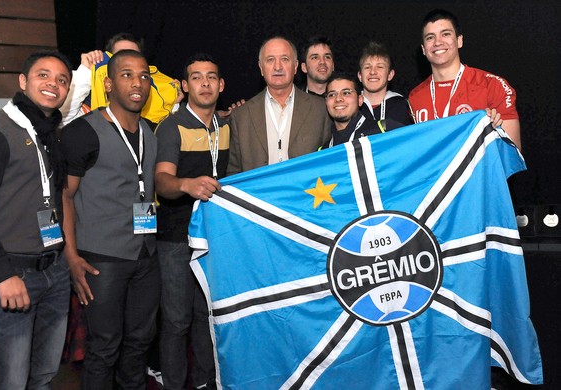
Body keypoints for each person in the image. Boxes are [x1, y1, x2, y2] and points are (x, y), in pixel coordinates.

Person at [0, 50, 71, 389]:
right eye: (43, 75)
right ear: (23, 81)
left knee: (44, 377)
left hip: (55, 272)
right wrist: (2, 274)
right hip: (11, 276)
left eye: (62, 79)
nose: (53, 84)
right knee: (10, 381)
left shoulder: (49, 132)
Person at [60, 49, 160, 389]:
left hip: (146, 255)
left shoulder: (150, 131)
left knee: (139, 344)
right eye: (127, 74)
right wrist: (72, 257)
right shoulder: (82, 132)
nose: (137, 83)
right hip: (102, 260)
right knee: (104, 347)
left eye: (144, 76)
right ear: (108, 83)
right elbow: (65, 196)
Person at [155, 52, 228, 390]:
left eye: (211, 76)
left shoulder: (226, 125)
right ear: (185, 86)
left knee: (207, 315)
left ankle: (204, 382)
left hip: (214, 238)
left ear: (221, 85)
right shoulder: (171, 127)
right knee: (177, 320)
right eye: (197, 77)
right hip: (176, 240)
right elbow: (162, 183)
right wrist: (187, 184)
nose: (205, 83)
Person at [408, 9, 520, 149]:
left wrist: (493, 131)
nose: (438, 42)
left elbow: (513, 152)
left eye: (446, 34)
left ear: (459, 40)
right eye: (430, 37)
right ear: (424, 49)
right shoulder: (415, 97)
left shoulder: (493, 85)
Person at [228, 36, 331, 175]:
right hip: (258, 195)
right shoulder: (241, 116)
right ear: (261, 68)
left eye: (284, 59)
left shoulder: (321, 110)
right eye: (270, 60)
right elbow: (233, 174)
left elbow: (330, 164)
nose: (277, 67)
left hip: (306, 194)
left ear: (295, 66)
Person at [60, 32, 183, 126]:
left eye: (133, 56)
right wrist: (86, 71)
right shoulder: (89, 98)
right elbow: (63, 119)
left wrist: (173, 103)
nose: (128, 62)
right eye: (121, 56)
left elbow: (167, 138)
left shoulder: (153, 97)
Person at [324, 72, 400, 147]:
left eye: (346, 93)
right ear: (326, 102)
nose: (338, 99)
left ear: (360, 100)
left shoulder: (385, 130)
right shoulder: (323, 152)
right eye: (332, 95)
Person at [357, 41, 411, 130]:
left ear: (390, 75)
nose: (373, 72)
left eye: (380, 67)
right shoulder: (350, 106)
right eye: (367, 67)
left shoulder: (404, 106)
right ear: (359, 76)